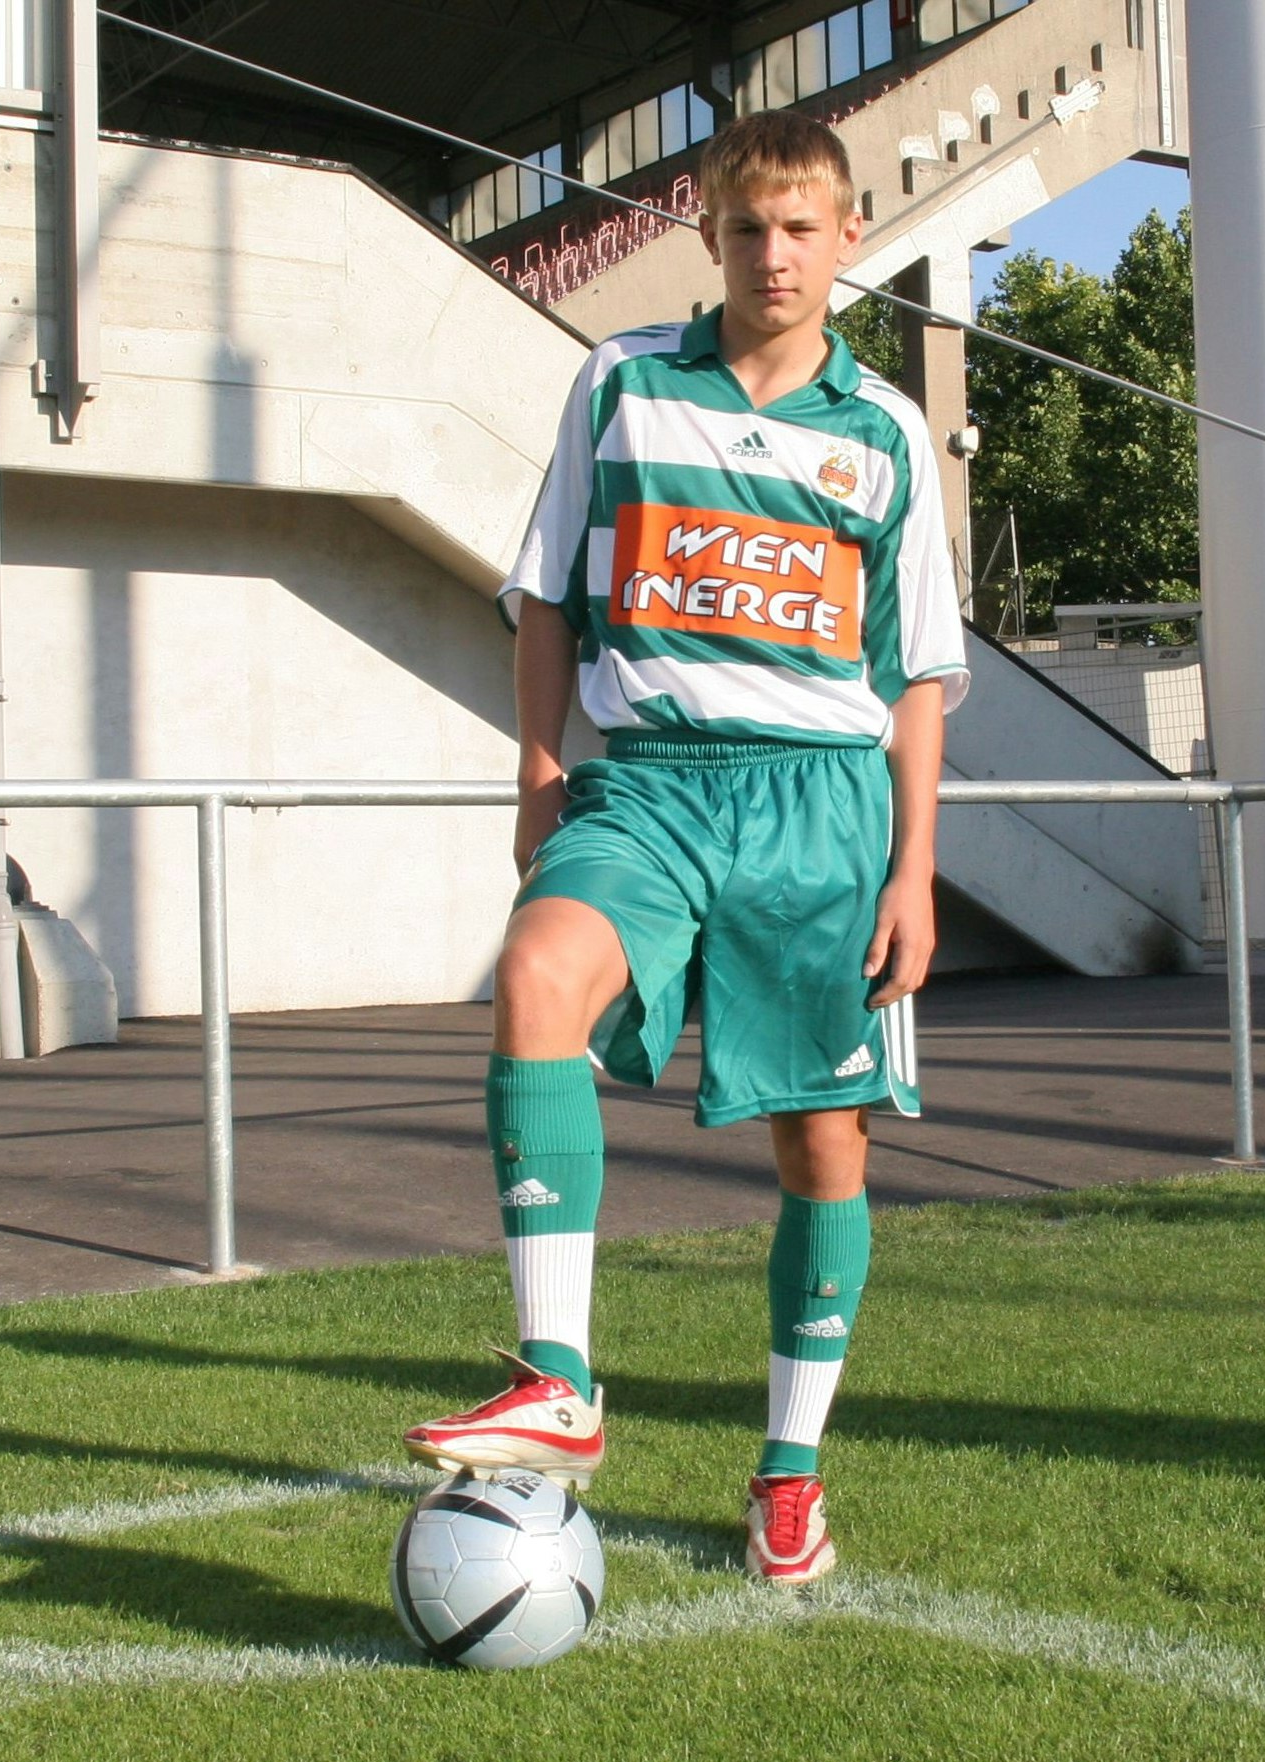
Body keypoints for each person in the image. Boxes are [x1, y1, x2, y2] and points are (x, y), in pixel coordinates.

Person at [401, 109, 969, 1587]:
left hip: (820, 811)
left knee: (820, 1146)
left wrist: (914, 869)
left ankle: (789, 1473)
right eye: (743, 228)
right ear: (706, 234)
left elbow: (914, 675)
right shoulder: (622, 384)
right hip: (648, 782)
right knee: (535, 976)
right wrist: (538, 775)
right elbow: (544, 601)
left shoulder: (886, 432)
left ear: (848, 237)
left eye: (800, 229)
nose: (771, 255)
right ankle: (556, 1381)